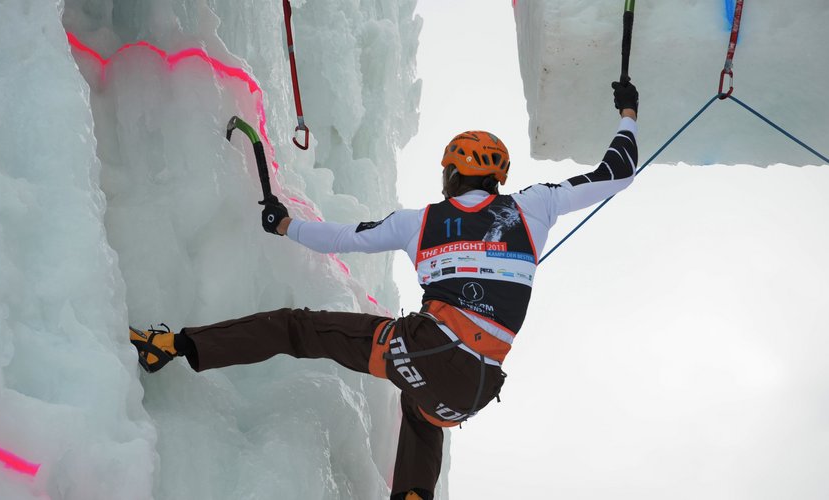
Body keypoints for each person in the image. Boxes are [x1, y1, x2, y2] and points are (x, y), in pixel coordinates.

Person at [129, 81, 640, 499]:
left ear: (455, 171)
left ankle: (171, 345)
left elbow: (345, 237)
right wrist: (628, 113)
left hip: (427, 347)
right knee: (422, 414)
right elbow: (617, 173)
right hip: (475, 390)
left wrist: (285, 224)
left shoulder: (419, 222)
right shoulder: (535, 207)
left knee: (297, 328)